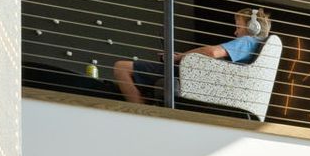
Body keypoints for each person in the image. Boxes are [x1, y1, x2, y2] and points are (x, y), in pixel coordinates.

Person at [115, 7, 271, 106]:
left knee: (121, 68)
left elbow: (212, 52)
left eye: (238, 27)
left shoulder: (247, 41)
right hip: (195, 76)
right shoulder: (255, 47)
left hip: (189, 76)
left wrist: (179, 57)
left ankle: (142, 113)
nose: (235, 32)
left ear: (253, 27)